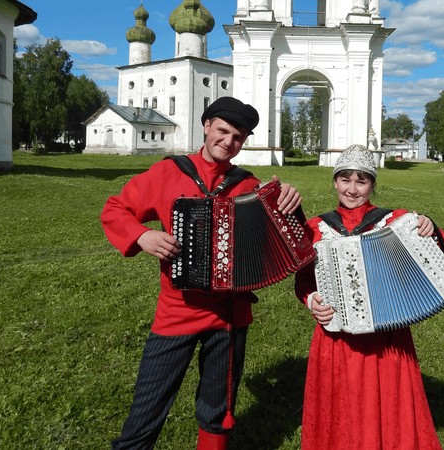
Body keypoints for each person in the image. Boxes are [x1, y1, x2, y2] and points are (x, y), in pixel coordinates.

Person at [101, 96, 302, 450]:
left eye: (238, 137)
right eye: (223, 131)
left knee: (218, 407)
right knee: (148, 404)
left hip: (228, 315)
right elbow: (116, 208)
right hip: (177, 310)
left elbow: (292, 239)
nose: (228, 141)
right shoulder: (168, 172)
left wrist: (288, 200)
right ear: (206, 125)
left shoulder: (248, 186)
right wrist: (142, 234)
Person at [294, 144, 444, 450]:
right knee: (340, 400)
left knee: (386, 400)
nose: (352, 189)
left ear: (372, 185)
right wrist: (312, 300)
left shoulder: (396, 221)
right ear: (334, 181)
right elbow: (303, 280)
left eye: (361, 181)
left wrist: (430, 228)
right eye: (345, 179)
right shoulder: (317, 227)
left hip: (386, 338)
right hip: (336, 336)